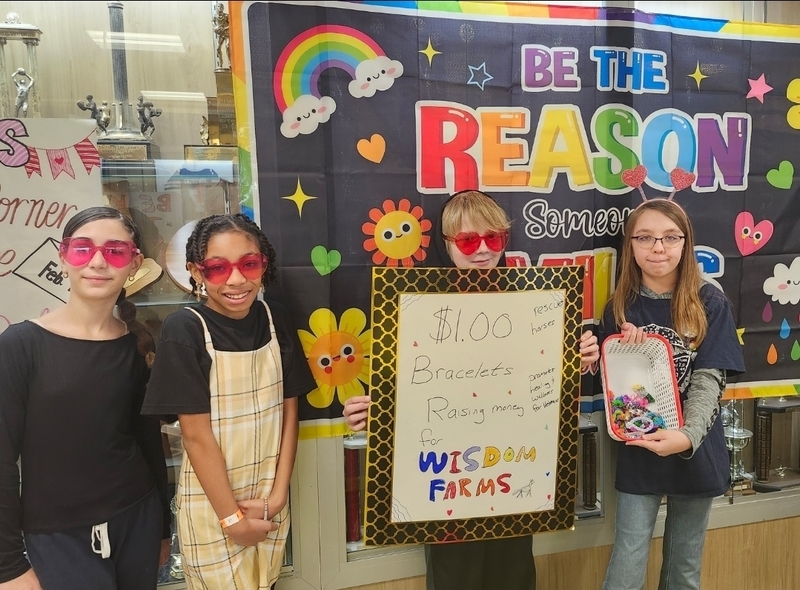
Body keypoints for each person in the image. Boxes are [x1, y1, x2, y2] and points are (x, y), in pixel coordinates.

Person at [343, 190, 600, 590]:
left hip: (513, 472)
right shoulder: (417, 306)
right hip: (449, 481)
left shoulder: (533, 302)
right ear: (447, 245)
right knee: (455, 577)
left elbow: (540, 387)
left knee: (515, 574)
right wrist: (375, 411)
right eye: (467, 240)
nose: (481, 251)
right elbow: (411, 389)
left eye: (492, 239)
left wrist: (575, 358)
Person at [0, 206, 171, 590]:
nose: (97, 262)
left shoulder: (136, 345)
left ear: (134, 263)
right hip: (57, 536)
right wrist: (7, 564)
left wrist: (162, 526)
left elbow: (149, 442)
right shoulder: (20, 345)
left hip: (137, 520)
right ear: (63, 257)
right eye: (82, 249)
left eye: (115, 251)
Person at [142, 213, 316, 590]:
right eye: (218, 268)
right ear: (196, 271)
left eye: (249, 264)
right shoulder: (185, 328)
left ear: (263, 265)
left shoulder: (275, 318)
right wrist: (232, 521)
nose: (237, 280)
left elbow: (290, 412)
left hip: (268, 500)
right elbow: (195, 437)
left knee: (264, 583)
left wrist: (278, 495)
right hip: (214, 506)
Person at [598, 199, 745, 590]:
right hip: (639, 448)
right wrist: (620, 353)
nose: (657, 248)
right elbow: (609, 383)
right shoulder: (618, 309)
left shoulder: (709, 302)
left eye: (669, 237)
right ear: (631, 244)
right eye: (645, 237)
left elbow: (709, 381)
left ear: (685, 242)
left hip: (694, 448)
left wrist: (685, 436)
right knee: (628, 556)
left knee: (683, 565)